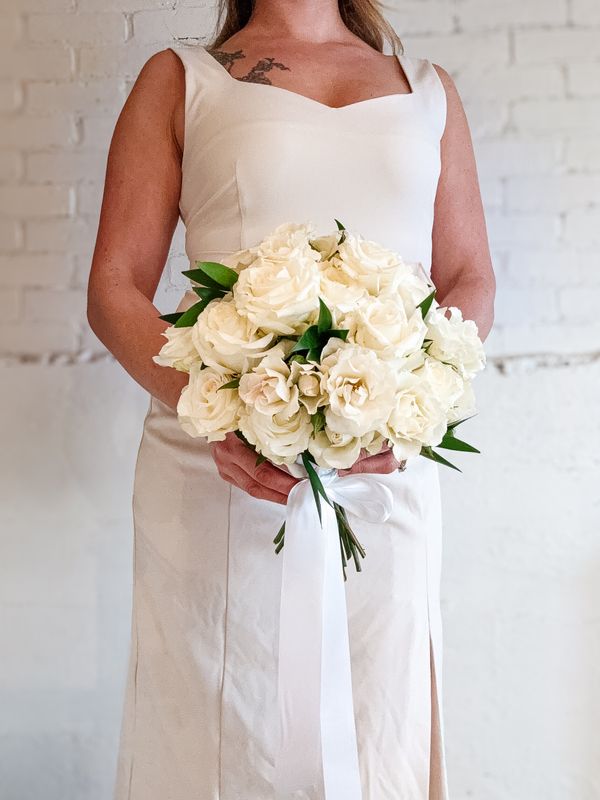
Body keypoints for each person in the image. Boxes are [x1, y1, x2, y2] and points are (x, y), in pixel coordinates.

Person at [87, 0, 496, 797]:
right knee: (221, 718)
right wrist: (217, 409)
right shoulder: (182, 81)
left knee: (382, 710)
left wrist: (418, 401)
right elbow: (113, 289)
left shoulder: (428, 89)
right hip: (218, 469)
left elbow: (469, 277)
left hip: (383, 470)